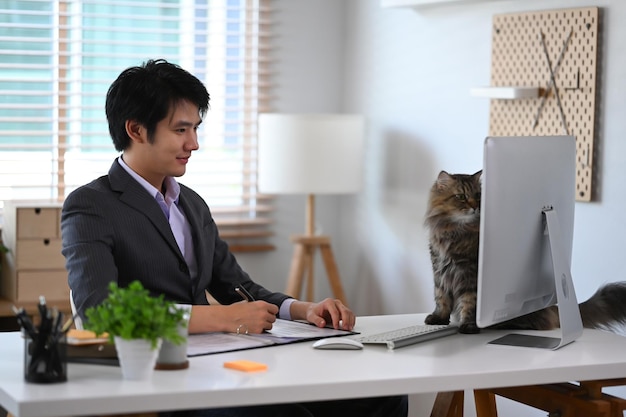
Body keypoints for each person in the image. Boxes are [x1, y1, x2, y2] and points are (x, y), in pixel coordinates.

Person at [61, 59, 408, 417]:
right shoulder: (91, 206)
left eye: (195, 128)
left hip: (221, 364)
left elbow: (238, 288)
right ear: (135, 129)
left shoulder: (191, 203)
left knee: (384, 395)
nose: (193, 143)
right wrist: (223, 319)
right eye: (181, 130)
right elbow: (99, 314)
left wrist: (303, 310)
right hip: (156, 377)